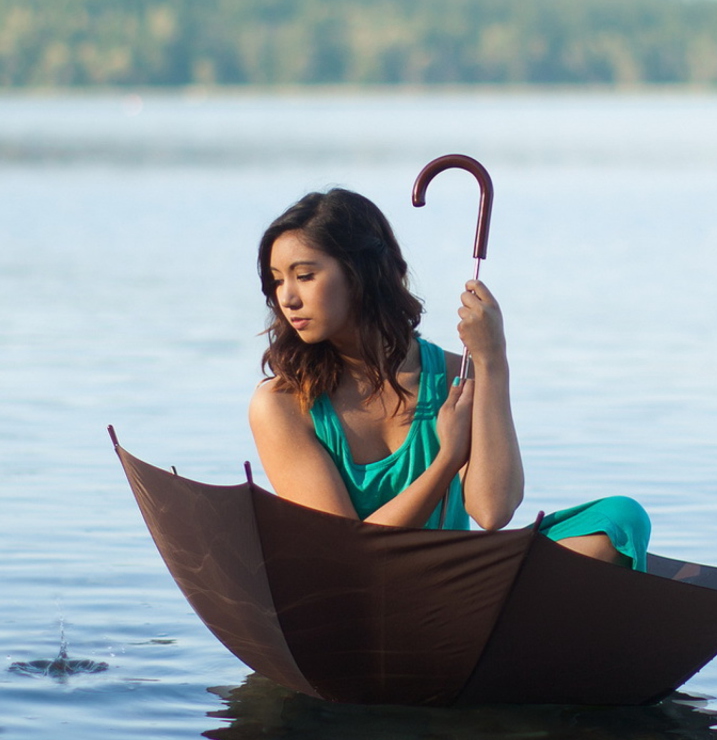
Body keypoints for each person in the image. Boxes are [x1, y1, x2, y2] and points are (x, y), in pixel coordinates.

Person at [249, 188, 650, 569]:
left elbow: (492, 511)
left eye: (304, 275)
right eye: (278, 279)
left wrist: (493, 361)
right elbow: (348, 552)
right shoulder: (283, 403)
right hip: (362, 596)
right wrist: (446, 461)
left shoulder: (458, 375)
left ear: (360, 274)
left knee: (619, 519)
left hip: (455, 583)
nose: (287, 297)